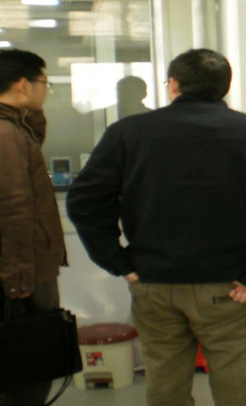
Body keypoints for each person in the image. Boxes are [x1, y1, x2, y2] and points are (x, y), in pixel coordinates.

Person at [67, 48, 246, 406]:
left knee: (165, 388)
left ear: (174, 84)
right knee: (237, 388)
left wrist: (118, 262)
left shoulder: (128, 132)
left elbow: (85, 200)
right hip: (233, 287)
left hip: (154, 283)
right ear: (225, 86)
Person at [0, 49, 67, 406]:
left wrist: (33, 112)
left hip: (22, 269)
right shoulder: (5, 134)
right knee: (29, 369)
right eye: (44, 83)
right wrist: (19, 279)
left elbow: (33, 143)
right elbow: (12, 209)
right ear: (23, 85)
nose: (46, 90)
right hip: (24, 275)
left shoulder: (14, 128)